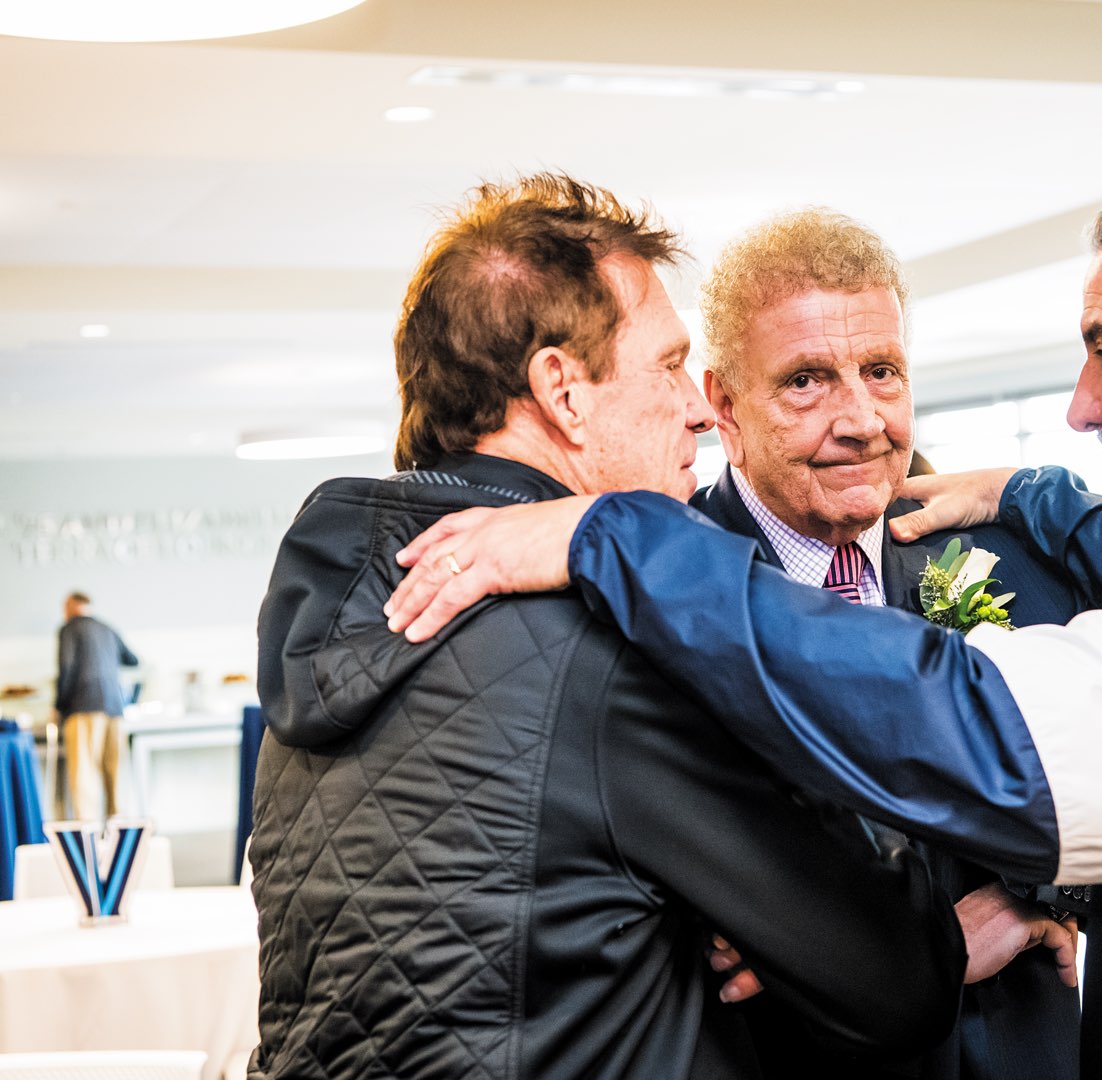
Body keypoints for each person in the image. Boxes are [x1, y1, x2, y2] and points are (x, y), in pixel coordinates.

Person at [383, 158, 1102, 1078]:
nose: (1079, 406)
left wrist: (615, 535)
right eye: (805, 381)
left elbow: (991, 732)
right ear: (725, 404)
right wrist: (1040, 493)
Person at [248, 173, 972, 1080]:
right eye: (669, 367)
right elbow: (897, 982)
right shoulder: (611, 639)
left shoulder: (336, 617)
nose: (701, 409)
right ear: (563, 390)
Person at [688, 207, 1085, 1080]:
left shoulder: (998, 555)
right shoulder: (662, 587)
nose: (863, 420)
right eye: (807, 382)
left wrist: (1040, 898)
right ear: (723, 403)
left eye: (881, 371)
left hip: (1019, 1042)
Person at [54, 591, 138, 819]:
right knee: (114, 772)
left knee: (84, 773)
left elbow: (67, 668)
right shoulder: (107, 628)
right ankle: (118, 831)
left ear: (72, 606)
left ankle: (87, 832)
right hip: (114, 707)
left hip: (83, 708)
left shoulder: (69, 629)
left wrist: (59, 706)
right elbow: (133, 660)